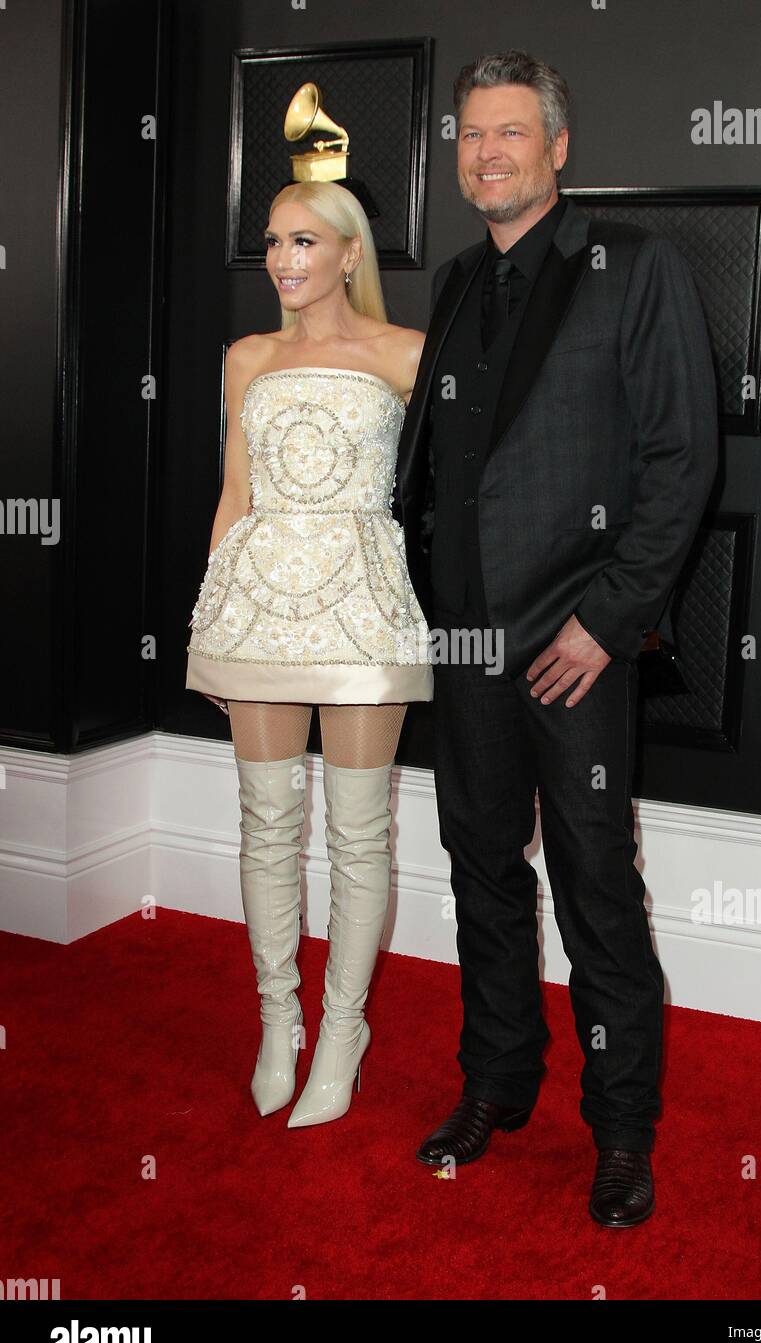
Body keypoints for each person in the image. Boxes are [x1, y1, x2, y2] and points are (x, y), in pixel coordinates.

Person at [393, 50, 718, 1227]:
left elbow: (682, 461)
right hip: (466, 643)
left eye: (510, 133)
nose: (487, 152)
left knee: (595, 890)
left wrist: (606, 620)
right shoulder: (453, 286)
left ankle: (622, 1131)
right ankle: (497, 1082)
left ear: (557, 146)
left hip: (574, 646)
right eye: (471, 135)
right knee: (482, 873)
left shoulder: (634, 270)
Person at [185, 181, 432, 1128]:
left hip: (363, 610)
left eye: (303, 241)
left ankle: (343, 1029)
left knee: (360, 832)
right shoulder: (246, 358)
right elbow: (234, 493)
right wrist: (213, 619)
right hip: (259, 609)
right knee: (266, 825)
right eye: (273, 242)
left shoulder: (406, 354)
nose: (283, 260)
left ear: (348, 252)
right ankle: (276, 1020)